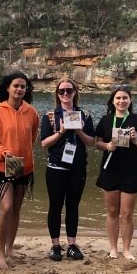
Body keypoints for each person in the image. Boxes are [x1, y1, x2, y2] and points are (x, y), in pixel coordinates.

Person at [0, 72, 39, 269]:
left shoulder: (31, 112)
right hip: (2, 167)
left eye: (23, 87)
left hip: (23, 167)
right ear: (7, 88)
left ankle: (10, 248)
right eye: (16, 86)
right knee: (5, 208)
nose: (19, 89)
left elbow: (31, 138)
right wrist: (2, 151)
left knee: (16, 209)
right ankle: (0, 254)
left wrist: (22, 154)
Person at [40, 78, 95, 261]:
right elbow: (44, 144)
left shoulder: (85, 115)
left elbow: (92, 142)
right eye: (62, 91)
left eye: (69, 90)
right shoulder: (49, 116)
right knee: (55, 206)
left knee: (73, 206)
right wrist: (61, 131)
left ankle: (71, 244)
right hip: (56, 167)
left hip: (77, 167)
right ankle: (55, 246)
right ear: (57, 94)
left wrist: (79, 131)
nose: (65, 94)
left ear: (75, 92)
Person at [94, 85, 137, 259]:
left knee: (127, 214)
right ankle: (113, 249)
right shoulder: (105, 119)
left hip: (131, 171)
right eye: (118, 98)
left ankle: (126, 249)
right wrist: (107, 146)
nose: (121, 101)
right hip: (110, 170)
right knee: (112, 211)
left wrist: (135, 140)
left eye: (125, 98)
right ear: (112, 101)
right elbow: (97, 142)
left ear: (130, 100)